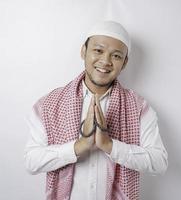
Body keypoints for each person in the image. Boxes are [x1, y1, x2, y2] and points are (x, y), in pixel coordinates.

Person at [24, 20, 168, 200]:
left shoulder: (139, 107)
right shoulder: (48, 104)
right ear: (83, 51)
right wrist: (79, 146)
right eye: (98, 50)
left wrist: (110, 146)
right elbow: (31, 162)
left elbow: (160, 162)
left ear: (124, 63)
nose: (105, 61)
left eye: (116, 56)